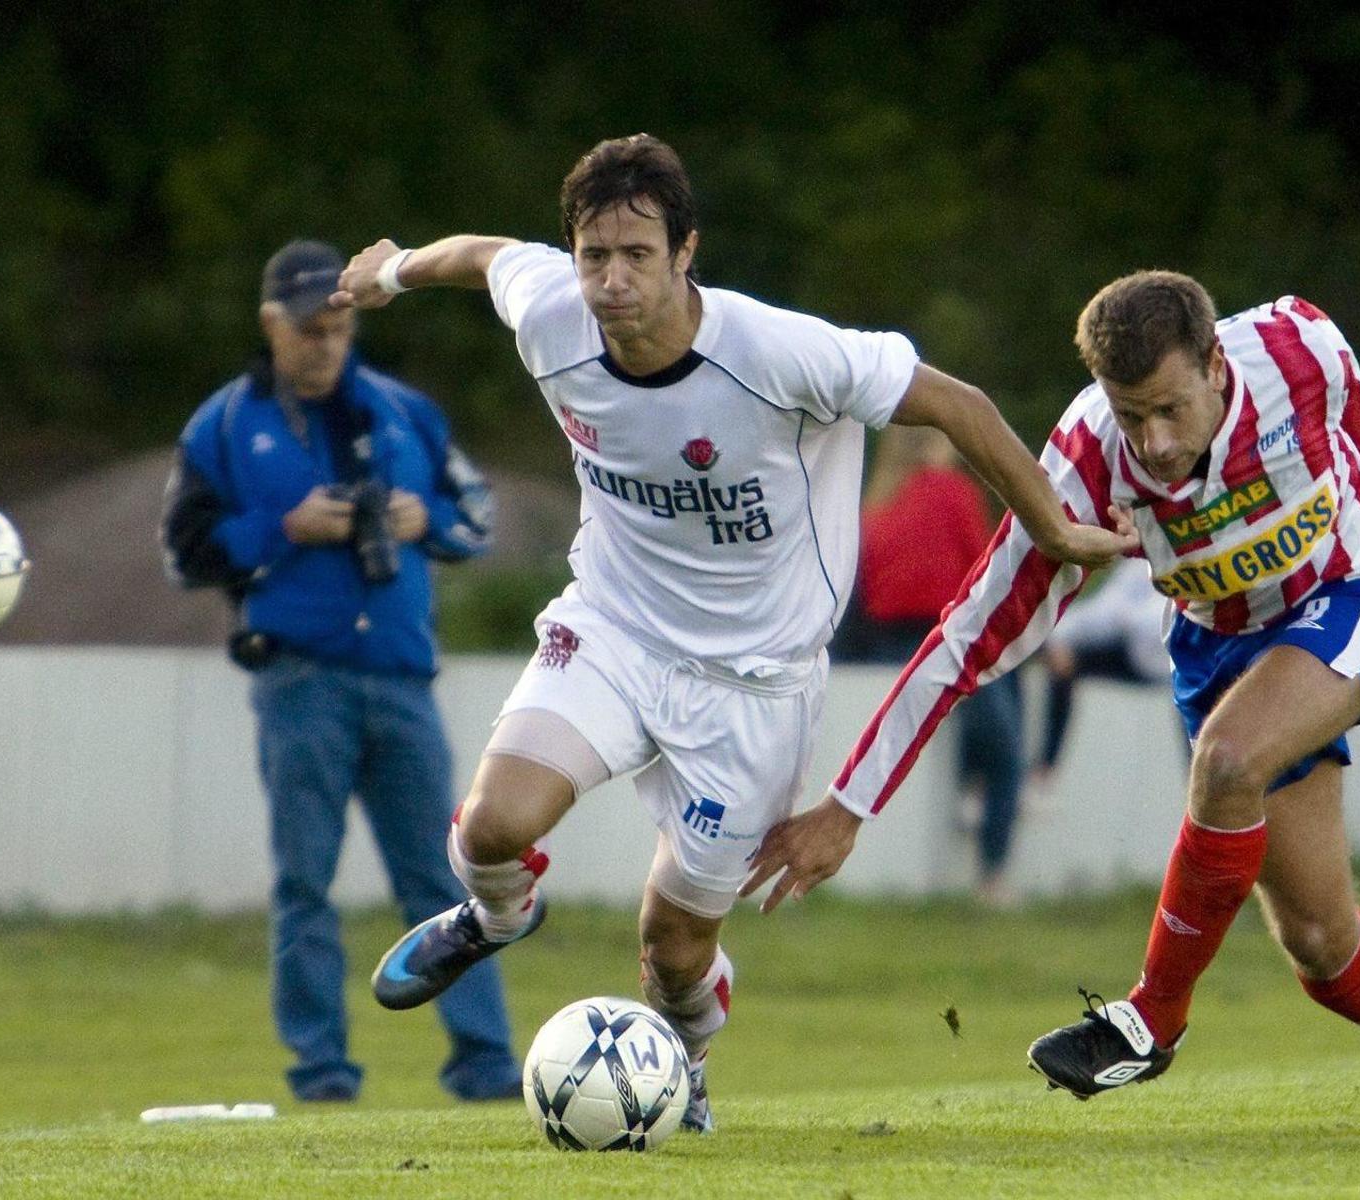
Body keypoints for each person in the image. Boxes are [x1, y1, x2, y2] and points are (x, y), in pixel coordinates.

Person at [330, 135, 1134, 1133]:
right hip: (616, 631)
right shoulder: (552, 317)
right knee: (492, 826)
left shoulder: (779, 354)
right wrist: (395, 269)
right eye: (592, 256)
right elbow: (486, 256)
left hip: (756, 685)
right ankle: (497, 914)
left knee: (671, 950)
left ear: (685, 252)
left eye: (636, 254)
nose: (611, 280)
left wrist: (1052, 525)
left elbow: (958, 404)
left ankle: (688, 1063)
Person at [747, 270, 1360, 1127]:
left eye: (1171, 409)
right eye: (1132, 415)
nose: (1157, 441)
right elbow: (968, 634)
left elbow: (1358, 440)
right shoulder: (1086, 462)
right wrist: (847, 805)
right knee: (1319, 942)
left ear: (1216, 365)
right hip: (1220, 643)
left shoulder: (1302, 348)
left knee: (1225, 762)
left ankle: (1152, 1018)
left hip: (1357, 586)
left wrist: (1333, 527)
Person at [161, 239, 522, 1104]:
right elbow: (182, 552)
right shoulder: (221, 425)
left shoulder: (406, 414)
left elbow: (476, 517)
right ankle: (322, 1072)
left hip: (401, 679)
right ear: (270, 324)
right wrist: (283, 529)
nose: (323, 341)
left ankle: (484, 1063)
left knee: (445, 882)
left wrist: (419, 517)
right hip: (300, 680)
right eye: (307, 327)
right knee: (304, 883)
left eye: (337, 323)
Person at [853, 425, 1025, 906]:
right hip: (948, 641)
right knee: (1008, 750)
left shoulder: (875, 504)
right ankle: (992, 873)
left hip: (886, 649)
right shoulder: (953, 492)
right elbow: (987, 569)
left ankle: (969, 782)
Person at [1029, 557, 1179, 800]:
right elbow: (1104, 608)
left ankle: (1202, 792)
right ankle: (1045, 769)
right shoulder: (1141, 564)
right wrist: (1057, 638)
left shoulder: (1181, 558)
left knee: (1197, 709)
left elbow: (1134, 618)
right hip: (1140, 653)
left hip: (1171, 659)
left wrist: (1123, 617)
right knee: (1063, 665)